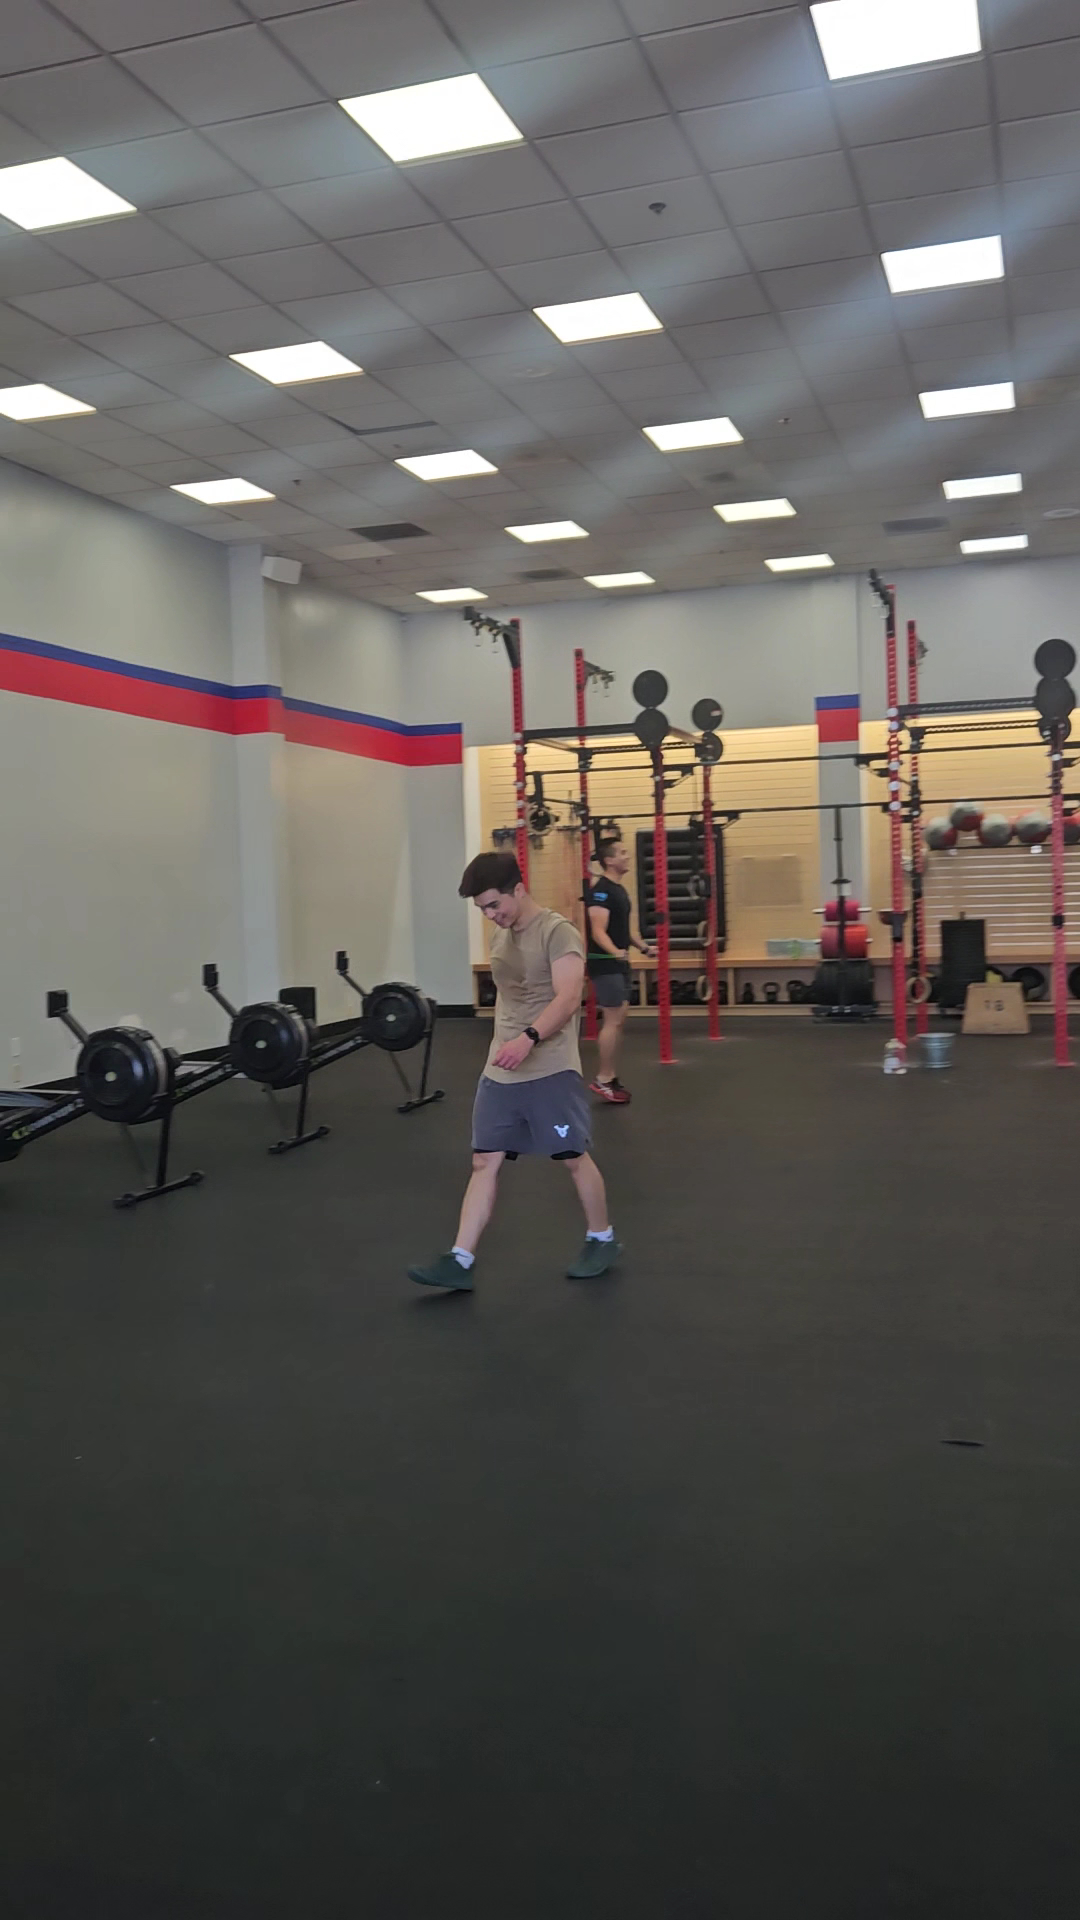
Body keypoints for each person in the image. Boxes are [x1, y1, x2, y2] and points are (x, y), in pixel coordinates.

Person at [408, 851, 621, 1292]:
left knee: (572, 1157)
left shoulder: (558, 932)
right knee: (484, 1160)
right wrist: (506, 1043)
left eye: (494, 905)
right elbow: (511, 996)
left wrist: (528, 1038)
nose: (490, 915)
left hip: (549, 1066)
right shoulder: (500, 936)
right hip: (502, 1068)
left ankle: (602, 1238)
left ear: (519, 889)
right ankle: (460, 1259)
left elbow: (568, 998)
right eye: (482, 909)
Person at [586, 836, 655, 1105]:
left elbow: (625, 930)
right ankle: (603, 1079)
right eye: (622, 852)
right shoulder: (601, 891)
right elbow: (597, 931)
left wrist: (644, 948)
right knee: (612, 1020)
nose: (627, 856)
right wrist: (614, 951)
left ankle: (610, 1076)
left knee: (618, 1020)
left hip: (618, 962)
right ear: (609, 860)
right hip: (604, 963)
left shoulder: (618, 890)